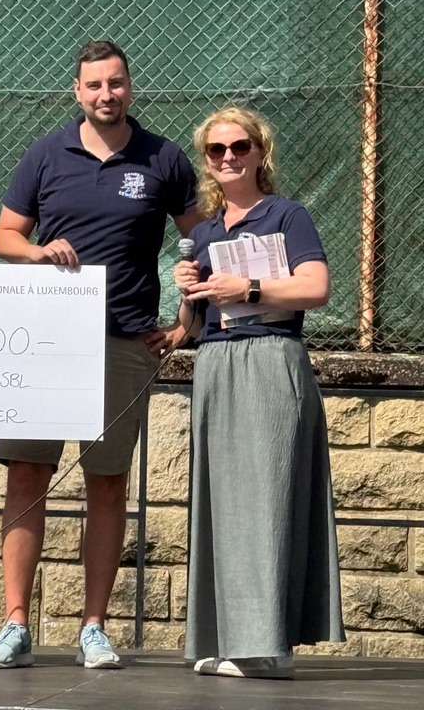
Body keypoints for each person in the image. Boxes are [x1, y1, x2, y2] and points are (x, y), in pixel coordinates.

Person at [0, 40, 201, 671]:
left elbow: (203, 241)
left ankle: (94, 628)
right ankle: (15, 625)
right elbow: (4, 234)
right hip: (44, 342)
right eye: (95, 85)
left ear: (130, 87)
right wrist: (37, 252)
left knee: (107, 483)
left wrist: (186, 323)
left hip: (124, 341)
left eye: (116, 83)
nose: (107, 94)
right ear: (77, 92)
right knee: (27, 477)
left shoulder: (164, 158)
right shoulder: (46, 154)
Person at [173, 106, 344, 680]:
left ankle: (269, 647)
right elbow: (192, 325)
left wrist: (246, 286)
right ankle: (229, 638)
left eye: (239, 146)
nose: (228, 157)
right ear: (206, 161)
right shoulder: (202, 233)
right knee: (221, 504)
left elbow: (316, 288)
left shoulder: (287, 215)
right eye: (217, 149)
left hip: (270, 357)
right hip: (216, 362)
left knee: (270, 499)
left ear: (259, 152)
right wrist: (189, 291)